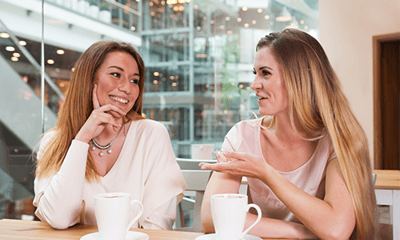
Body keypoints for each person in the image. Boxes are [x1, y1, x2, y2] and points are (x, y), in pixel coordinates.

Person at [200, 29, 377, 240]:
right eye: (254, 73)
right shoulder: (243, 135)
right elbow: (213, 219)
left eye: (265, 73)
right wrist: (304, 232)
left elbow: (336, 230)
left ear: (299, 78)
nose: (254, 84)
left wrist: (266, 173)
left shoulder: (338, 140)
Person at [34, 41, 187, 230]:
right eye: (116, 75)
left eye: (134, 80)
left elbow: (157, 227)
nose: (127, 88)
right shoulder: (54, 142)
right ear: (88, 79)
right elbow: (59, 218)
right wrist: (82, 139)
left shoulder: (151, 135)